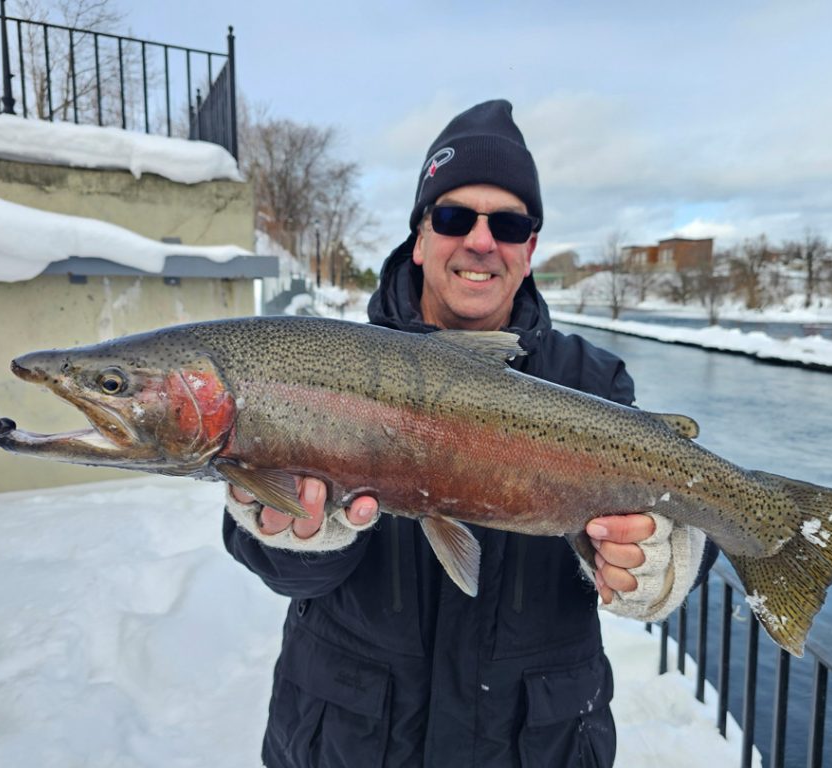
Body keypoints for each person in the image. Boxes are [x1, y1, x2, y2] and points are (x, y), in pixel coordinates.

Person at [223, 99, 718, 768]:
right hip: (347, 742)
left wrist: (665, 559)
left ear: (530, 249)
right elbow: (275, 567)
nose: (481, 242)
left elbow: (672, 499)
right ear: (420, 237)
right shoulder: (321, 360)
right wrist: (298, 536)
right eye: (455, 217)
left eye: (508, 224)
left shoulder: (591, 380)